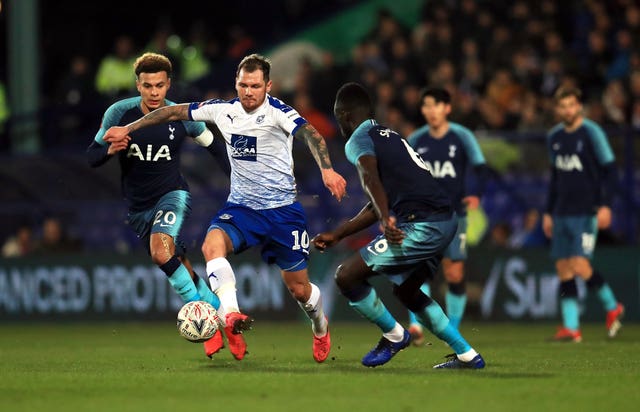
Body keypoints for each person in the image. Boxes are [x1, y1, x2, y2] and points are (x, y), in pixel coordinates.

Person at [103, 53, 347, 363]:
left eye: (255, 86)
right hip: (242, 209)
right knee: (211, 245)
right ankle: (230, 315)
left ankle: (320, 326)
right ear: (236, 83)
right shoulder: (223, 111)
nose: (248, 92)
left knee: (300, 291)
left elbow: (311, 134)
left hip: (283, 212)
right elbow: (171, 113)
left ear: (268, 86)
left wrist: (326, 169)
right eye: (243, 85)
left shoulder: (279, 113)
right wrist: (130, 128)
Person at [312, 82, 484, 369]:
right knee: (407, 292)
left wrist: (384, 218)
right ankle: (467, 355)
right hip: (445, 221)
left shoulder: (359, 138)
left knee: (346, 276)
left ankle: (394, 335)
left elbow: (370, 179)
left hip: (423, 224)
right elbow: (381, 197)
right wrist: (340, 233)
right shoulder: (390, 136)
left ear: (343, 115)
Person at [86, 52, 228, 358]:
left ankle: (201, 318)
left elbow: (214, 146)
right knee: (175, 257)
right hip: (138, 206)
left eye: (160, 86)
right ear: (137, 84)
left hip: (172, 194)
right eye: (148, 85)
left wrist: (238, 178)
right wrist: (110, 150)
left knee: (160, 251)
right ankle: (218, 313)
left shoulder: (179, 114)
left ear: (168, 85)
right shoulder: (118, 114)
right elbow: (91, 156)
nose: (154, 92)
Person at [404, 87, 489, 345]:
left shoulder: (462, 136)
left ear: (447, 108)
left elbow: (481, 168)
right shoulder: (417, 139)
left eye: (436, 105)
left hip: (454, 215)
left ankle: (452, 327)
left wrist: (476, 193)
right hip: (423, 216)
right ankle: (416, 326)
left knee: (454, 273)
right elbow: (405, 174)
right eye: (426, 106)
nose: (431, 111)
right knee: (415, 271)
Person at [543, 86, 624, 342]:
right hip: (562, 211)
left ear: (579, 106)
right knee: (563, 268)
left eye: (571, 105)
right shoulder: (554, 136)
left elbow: (610, 170)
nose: (567, 110)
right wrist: (548, 212)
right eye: (562, 106)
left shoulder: (591, 132)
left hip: (586, 210)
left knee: (579, 264)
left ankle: (612, 306)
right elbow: (555, 177)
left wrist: (605, 205)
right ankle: (571, 327)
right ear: (558, 109)